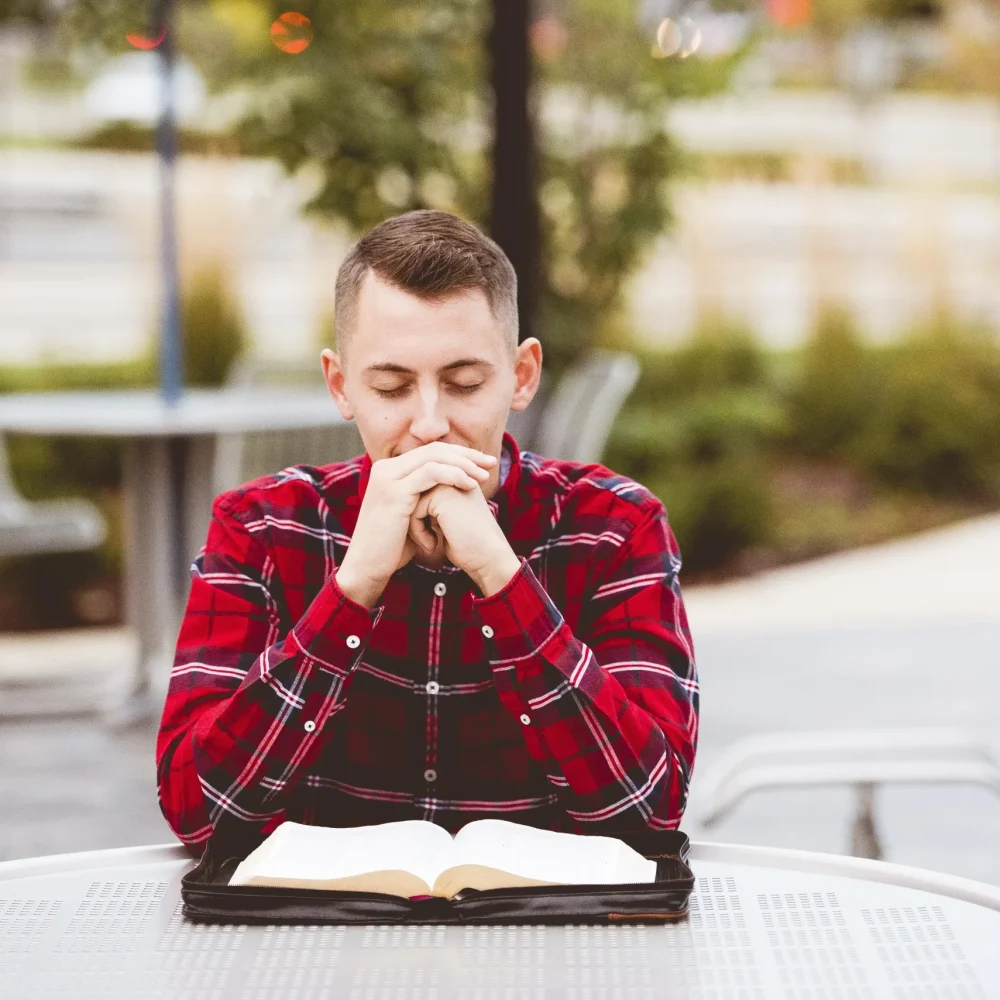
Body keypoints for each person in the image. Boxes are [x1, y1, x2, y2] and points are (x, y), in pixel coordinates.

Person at [156, 210, 698, 852]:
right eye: (391, 387)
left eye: (464, 383)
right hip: (318, 939)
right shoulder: (262, 527)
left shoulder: (615, 525)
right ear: (341, 385)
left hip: (547, 937)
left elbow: (650, 809)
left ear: (521, 377)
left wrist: (502, 578)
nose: (430, 424)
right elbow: (196, 810)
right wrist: (352, 588)